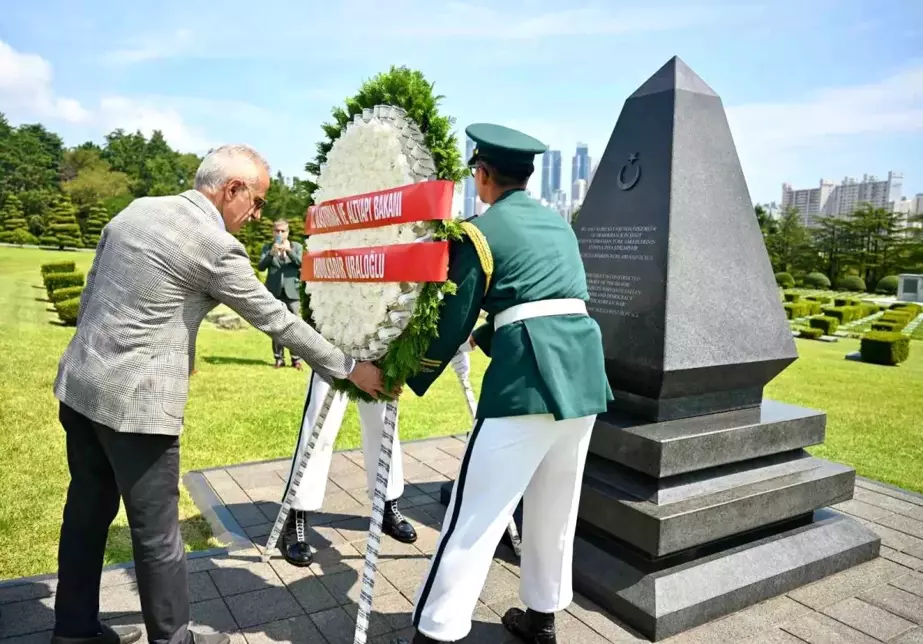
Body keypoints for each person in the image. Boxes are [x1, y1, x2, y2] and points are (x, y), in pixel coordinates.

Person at [51, 144, 388, 644]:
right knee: (158, 534)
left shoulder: (138, 209)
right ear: (231, 189)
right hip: (137, 409)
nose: (255, 217)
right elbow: (275, 318)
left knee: (86, 510)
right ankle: (174, 639)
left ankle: (72, 632)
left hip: (80, 387)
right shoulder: (213, 244)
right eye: (254, 202)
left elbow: (96, 288)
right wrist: (349, 368)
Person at [394, 124, 612, 644]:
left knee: (475, 513)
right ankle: (542, 621)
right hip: (582, 379)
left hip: (526, 384)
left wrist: (406, 371)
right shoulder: (559, 225)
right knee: (556, 506)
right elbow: (546, 301)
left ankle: (436, 631)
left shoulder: (480, 231)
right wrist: (486, 337)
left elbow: (452, 316)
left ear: (483, 174)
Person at [278, 371, 417, 567]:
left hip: (379, 349)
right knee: (320, 426)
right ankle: (296, 517)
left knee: (383, 425)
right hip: (334, 347)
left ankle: (387, 505)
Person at [258, 219, 305, 369]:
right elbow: (261, 267)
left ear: (288, 232)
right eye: (277, 231)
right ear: (273, 232)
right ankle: (279, 358)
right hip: (274, 292)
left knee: (294, 326)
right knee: (276, 326)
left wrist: (289, 251)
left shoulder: (296, 247)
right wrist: (271, 254)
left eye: (282, 231)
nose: (279, 233)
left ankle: (296, 359)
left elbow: (302, 264)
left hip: (292, 293)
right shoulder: (267, 247)